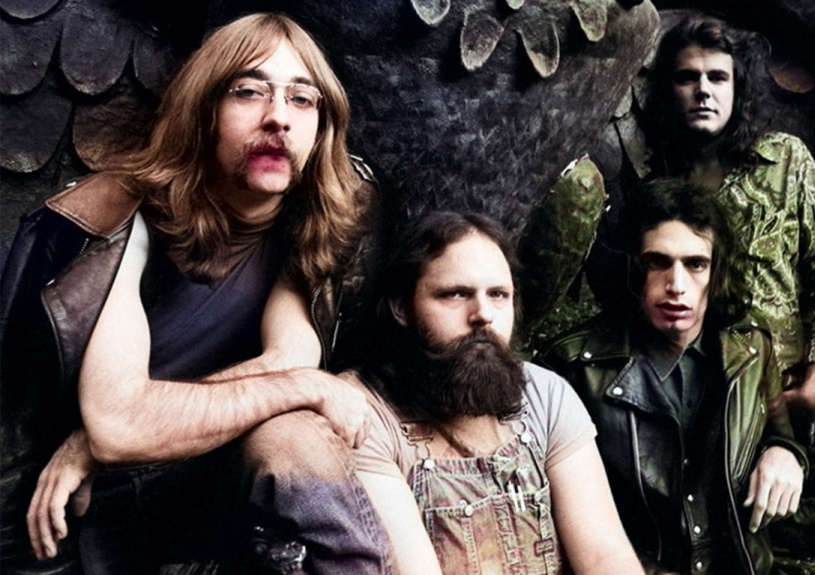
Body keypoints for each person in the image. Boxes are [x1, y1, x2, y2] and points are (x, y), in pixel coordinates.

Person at [0, 13, 393, 574]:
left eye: (302, 99)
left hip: (197, 486)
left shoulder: (317, 213)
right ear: (203, 111)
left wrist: (90, 443)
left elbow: (289, 358)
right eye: (248, 91)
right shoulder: (115, 215)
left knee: (295, 435)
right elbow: (120, 424)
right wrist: (102, 438)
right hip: (67, 516)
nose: (278, 117)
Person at [348, 211, 644, 575]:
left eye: (498, 295)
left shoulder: (544, 394)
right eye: (456, 294)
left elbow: (605, 557)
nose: (483, 314)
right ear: (401, 307)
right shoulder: (366, 414)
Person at [543, 181, 806, 575]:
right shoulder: (573, 368)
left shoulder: (750, 349)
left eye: (696, 264)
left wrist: (785, 453)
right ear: (633, 267)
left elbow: (780, 433)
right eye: (658, 262)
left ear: (716, 270)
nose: (677, 286)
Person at [631, 10, 815, 423]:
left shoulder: (784, 160)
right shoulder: (650, 182)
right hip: (686, 405)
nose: (703, 90)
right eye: (688, 78)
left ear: (737, 87)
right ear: (668, 90)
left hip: (783, 395)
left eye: (717, 78)